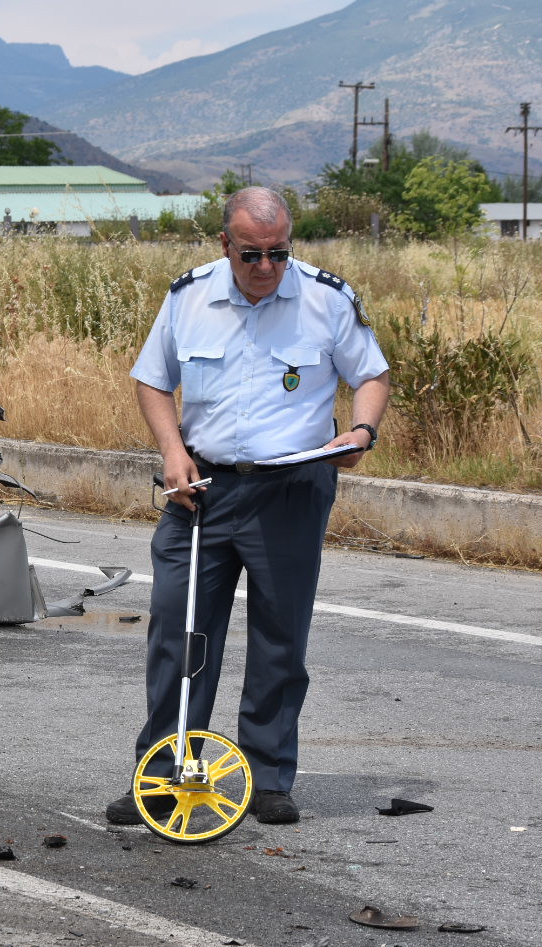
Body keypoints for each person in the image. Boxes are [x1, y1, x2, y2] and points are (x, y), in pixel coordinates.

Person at [111, 186, 391, 827]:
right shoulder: (190, 298)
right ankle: (162, 774)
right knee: (179, 635)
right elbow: (153, 379)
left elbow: (370, 375)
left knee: (278, 641)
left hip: (290, 490)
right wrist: (171, 450)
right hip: (201, 491)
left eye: (277, 253)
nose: (265, 267)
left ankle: (266, 779)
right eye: (250, 254)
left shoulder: (325, 299)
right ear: (224, 246)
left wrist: (361, 431)